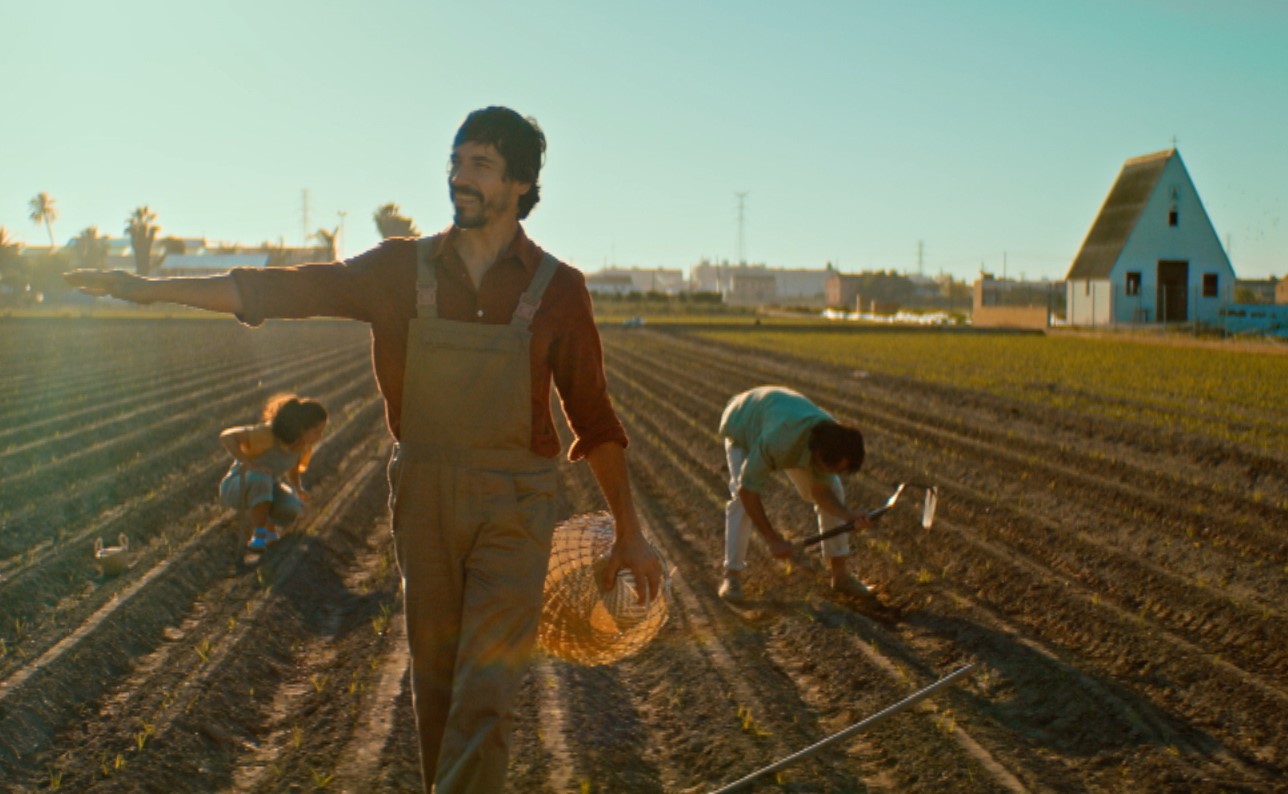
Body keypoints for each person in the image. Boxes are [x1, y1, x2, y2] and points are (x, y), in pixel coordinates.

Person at [65, 105, 663, 794]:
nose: (458, 177)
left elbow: (594, 417)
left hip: (515, 505)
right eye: (455, 160)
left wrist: (631, 534)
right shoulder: (399, 269)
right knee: (436, 688)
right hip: (424, 496)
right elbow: (284, 288)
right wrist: (147, 290)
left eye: (480, 165)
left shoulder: (560, 289)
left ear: (522, 185)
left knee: (487, 690)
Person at [719, 385, 875, 605]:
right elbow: (749, 491)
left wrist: (848, 515)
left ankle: (841, 576)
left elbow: (821, 492)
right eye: (831, 468)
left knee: (835, 490)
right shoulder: (779, 439)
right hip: (743, 422)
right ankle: (732, 577)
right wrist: (772, 540)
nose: (832, 473)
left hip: (781, 416)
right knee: (740, 500)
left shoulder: (831, 437)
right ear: (818, 454)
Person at [218, 393, 328, 550]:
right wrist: (249, 465)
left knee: (290, 507)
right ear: (303, 428)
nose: (320, 436)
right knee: (261, 478)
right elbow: (226, 437)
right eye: (317, 431)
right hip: (237, 486)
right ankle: (259, 536)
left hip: (265, 485)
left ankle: (267, 528)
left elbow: (293, 470)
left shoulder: (302, 446)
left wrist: (298, 489)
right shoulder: (267, 434)